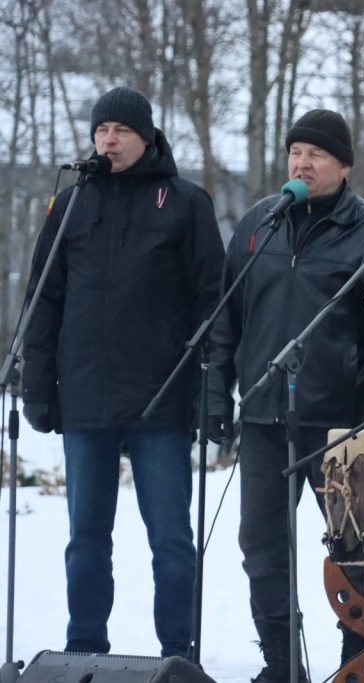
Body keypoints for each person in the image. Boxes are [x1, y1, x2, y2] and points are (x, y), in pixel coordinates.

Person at [206, 109, 364, 682]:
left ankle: (358, 658)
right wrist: (216, 396)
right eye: (296, 151)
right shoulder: (259, 225)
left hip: (342, 426)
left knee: (355, 550)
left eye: (317, 154)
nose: (303, 162)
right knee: (262, 547)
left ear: (344, 165)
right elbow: (226, 324)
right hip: (266, 421)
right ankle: (281, 663)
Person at [20, 86, 225, 658]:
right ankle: (85, 647)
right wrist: (37, 384)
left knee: (171, 540)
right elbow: (43, 298)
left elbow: (213, 302)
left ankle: (177, 652)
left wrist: (210, 390)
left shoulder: (185, 202)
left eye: (121, 132)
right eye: (101, 130)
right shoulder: (70, 205)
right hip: (85, 396)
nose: (109, 141)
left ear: (146, 136)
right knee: (86, 539)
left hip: (161, 396)